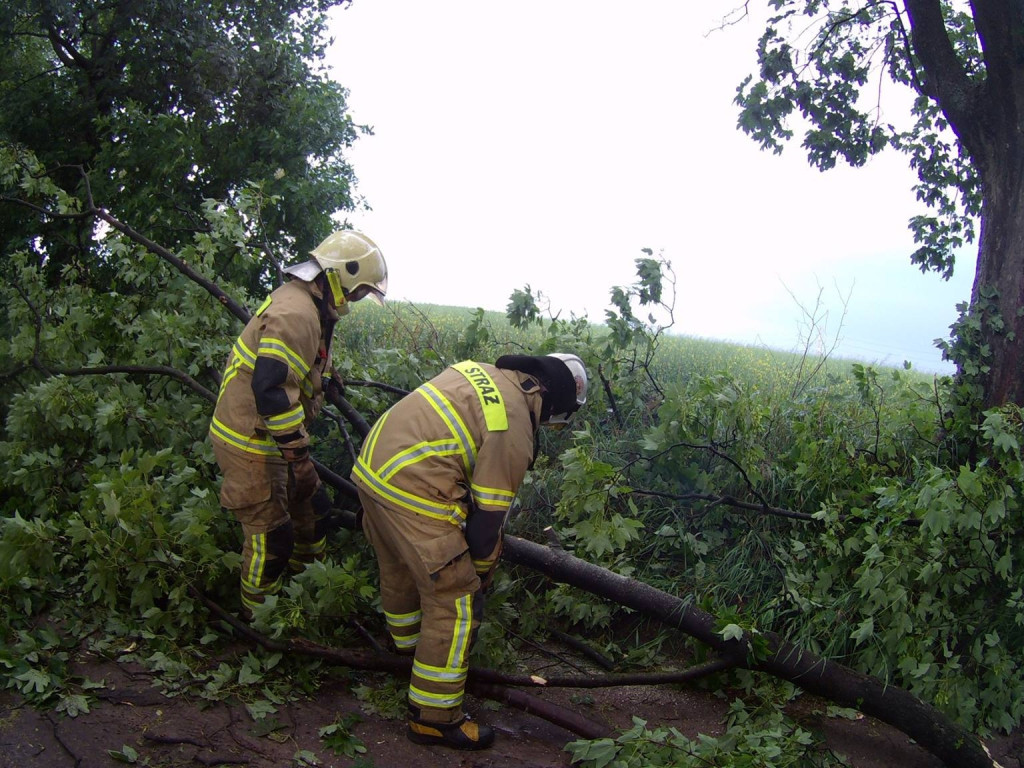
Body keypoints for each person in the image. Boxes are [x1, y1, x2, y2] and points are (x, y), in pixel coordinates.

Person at [351, 353, 588, 750]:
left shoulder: (480, 372)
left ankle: (409, 654)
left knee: (399, 568)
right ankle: (434, 717)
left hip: (374, 472)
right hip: (415, 491)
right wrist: (477, 574)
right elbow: (488, 519)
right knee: (455, 599)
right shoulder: (513, 423)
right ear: (553, 399)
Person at [209, 230, 388, 620]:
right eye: (358, 291)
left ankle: (302, 596)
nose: (356, 300)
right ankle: (261, 621)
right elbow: (271, 388)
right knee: (273, 536)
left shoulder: (312, 304)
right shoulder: (296, 313)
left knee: (316, 514)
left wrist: (325, 377)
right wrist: (299, 460)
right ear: (339, 277)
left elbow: (298, 363)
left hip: (271, 436)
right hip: (250, 439)